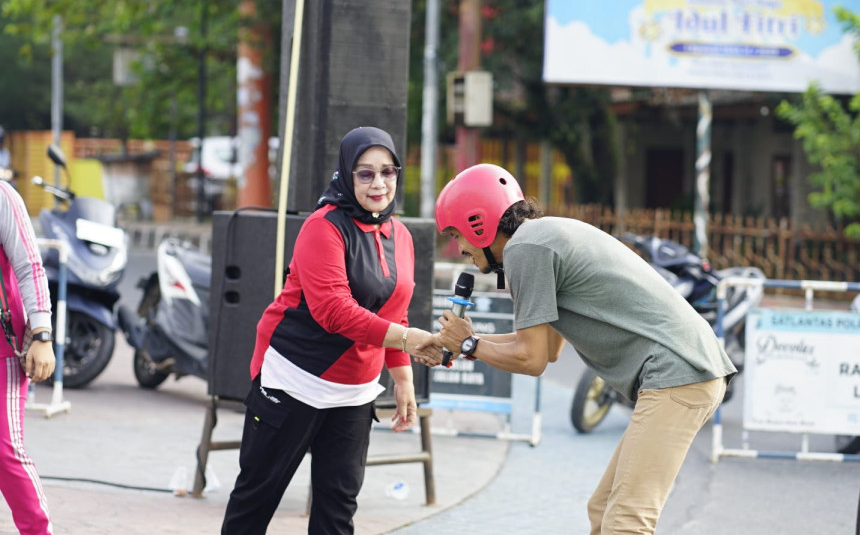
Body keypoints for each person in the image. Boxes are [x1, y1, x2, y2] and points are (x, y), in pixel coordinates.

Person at [431, 164, 736, 535]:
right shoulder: (540, 238)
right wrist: (464, 344)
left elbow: (532, 359)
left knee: (626, 521)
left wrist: (469, 343)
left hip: (678, 373)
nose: (459, 248)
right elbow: (548, 349)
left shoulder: (525, 251)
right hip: (685, 370)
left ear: (477, 223)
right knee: (604, 508)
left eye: (456, 234)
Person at [221, 126, 442, 535]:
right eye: (365, 173)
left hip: (354, 393)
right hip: (294, 380)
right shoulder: (323, 227)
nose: (379, 183)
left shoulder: (402, 236)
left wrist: (402, 376)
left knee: (337, 511)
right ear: (346, 174)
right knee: (256, 500)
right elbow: (334, 312)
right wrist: (410, 342)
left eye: (388, 172)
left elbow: (396, 310)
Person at [0, 180, 55, 534]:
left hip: (3, 349)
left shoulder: (3, 197)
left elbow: (30, 266)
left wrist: (42, 335)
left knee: (5, 450)